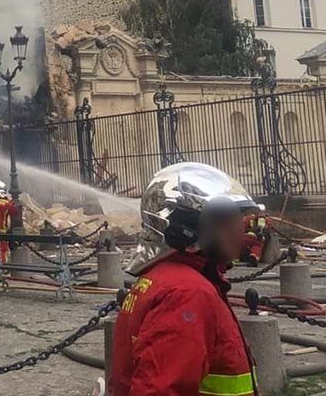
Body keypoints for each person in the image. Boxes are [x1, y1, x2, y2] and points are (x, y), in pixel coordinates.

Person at [109, 162, 258, 396]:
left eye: (238, 219)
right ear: (184, 228)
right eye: (225, 222)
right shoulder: (187, 293)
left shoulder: (163, 279)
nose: (239, 230)